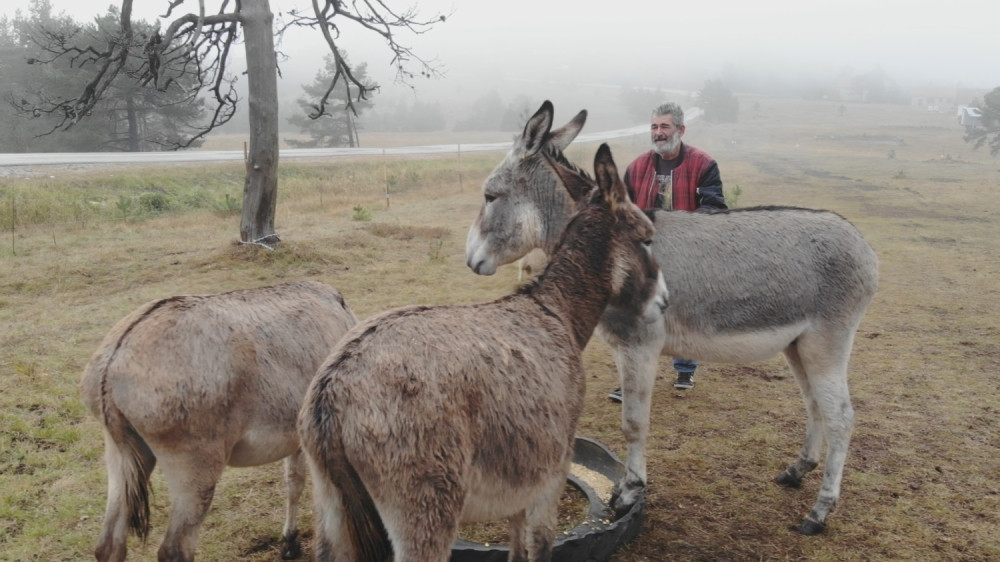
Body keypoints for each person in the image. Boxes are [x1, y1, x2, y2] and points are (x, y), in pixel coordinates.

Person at [608, 102, 727, 403]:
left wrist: (684, 230)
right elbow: (622, 210)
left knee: (684, 313)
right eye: (654, 127)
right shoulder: (636, 168)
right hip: (645, 257)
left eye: (665, 127)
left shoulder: (703, 164)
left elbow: (715, 208)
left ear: (680, 130)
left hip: (687, 254)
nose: (658, 133)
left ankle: (685, 368)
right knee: (637, 318)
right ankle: (632, 380)